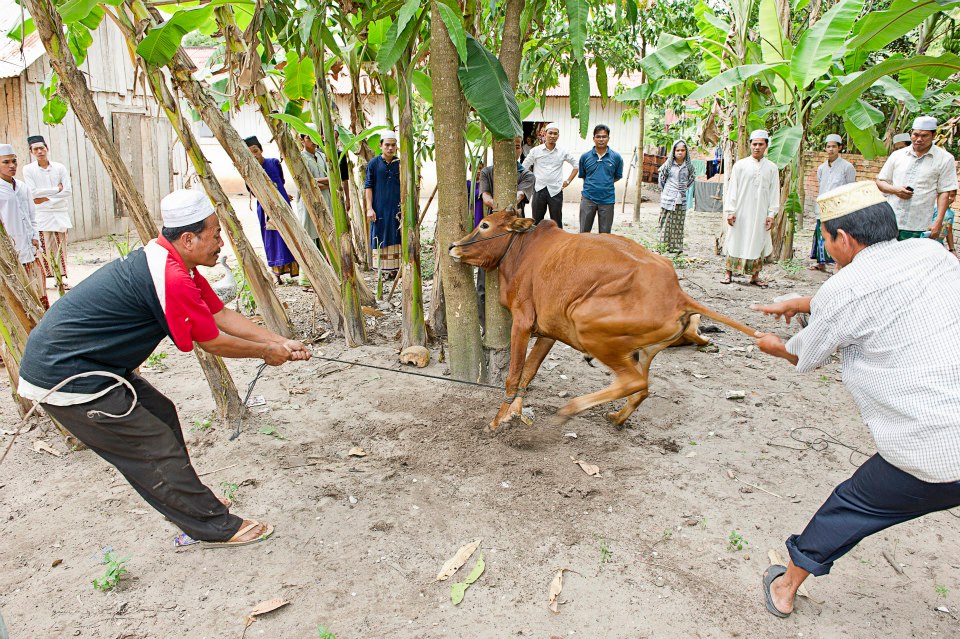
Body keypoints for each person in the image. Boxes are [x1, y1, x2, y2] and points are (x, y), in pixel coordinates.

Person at [17, 189, 311, 548]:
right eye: (215, 234)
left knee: (161, 414)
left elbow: (220, 314)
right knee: (152, 449)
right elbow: (212, 341)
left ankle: (189, 505)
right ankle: (214, 525)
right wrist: (266, 353)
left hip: (95, 365)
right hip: (65, 376)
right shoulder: (170, 276)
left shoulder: (171, 261)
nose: (221, 242)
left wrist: (277, 341)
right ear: (188, 239)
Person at [752, 180, 960, 618]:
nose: (826, 247)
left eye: (826, 239)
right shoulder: (931, 253)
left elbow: (803, 355)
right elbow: (884, 294)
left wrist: (774, 344)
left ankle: (786, 587)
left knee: (851, 506)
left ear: (843, 239)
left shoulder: (843, 289)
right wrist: (808, 301)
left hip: (936, 447)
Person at [475, 137, 537, 325]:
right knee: (484, 282)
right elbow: (485, 196)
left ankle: (518, 323)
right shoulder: (487, 172)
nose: (513, 150)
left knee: (517, 279)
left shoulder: (527, 175)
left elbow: (520, 196)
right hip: (490, 235)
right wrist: (500, 210)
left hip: (516, 234)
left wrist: (501, 210)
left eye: (517, 146)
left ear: (520, 150)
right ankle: (484, 324)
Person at [876, 116, 958, 241]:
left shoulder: (945, 159)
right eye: (916, 135)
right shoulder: (897, 155)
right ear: (911, 134)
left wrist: (938, 221)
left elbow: (944, 192)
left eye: (924, 136)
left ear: (934, 135)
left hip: (919, 224)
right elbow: (880, 181)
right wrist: (895, 190)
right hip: (890, 220)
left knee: (913, 259)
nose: (919, 139)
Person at [721, 130, 779, 287]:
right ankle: (728, 273)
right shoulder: (740, 165)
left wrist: (771, 214)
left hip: (760, 213)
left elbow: (774, 193)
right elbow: (732, 189)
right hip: (740, 212)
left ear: (766, 145)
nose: (757, 147)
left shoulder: (772, 168)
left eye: (761, 144)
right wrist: (730, 211)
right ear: (750, 145)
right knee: (735, 239)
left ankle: (754, 276)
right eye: (754, 144)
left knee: (757, 241)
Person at [245, 136, 299, 283]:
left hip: (283, 206)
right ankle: (276, 276)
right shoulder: (248, 171)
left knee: (289, 235)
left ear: (261, 150)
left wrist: (282, 194)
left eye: (256, 151)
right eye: (250, 153)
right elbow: (252, 190)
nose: (254, 155)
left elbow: (280, 182)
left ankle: (295, 269)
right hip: (265, 210)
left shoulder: (274, 163)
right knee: (271, 241)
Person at [0, 143, 47, 309]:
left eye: (14, 161)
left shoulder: (22, 187)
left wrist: (35, 237)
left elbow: (32, 216)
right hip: (10, 252)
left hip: (30, 248)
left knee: (37, 290)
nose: (12, 165)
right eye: (6, 162)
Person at [23, 135, 73, 290]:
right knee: (44, 248)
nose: (39, 151)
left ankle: (61, 279)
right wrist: (55, 190)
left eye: (41, 148)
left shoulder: (59, 168)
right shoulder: (28, 169)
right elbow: (33, 192)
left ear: (47, 148)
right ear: (31, 152)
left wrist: (47, 199)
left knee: (60, 247)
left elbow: (67, 191)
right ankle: (46, 280)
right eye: (35, 149)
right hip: (42, 215)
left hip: (59, 212)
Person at [810, 134, 856, 271]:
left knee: (838, 235)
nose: (831, 149)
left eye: (834, 147)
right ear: (825, 148)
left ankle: (838, 264)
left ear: (840, 148)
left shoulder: (847, 167)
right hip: (823, 206)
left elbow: (850, 187)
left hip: (839, 207)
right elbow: (821, 184)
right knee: (821, 233)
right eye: (828, 146)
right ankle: (821, 262)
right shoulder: (821, 168)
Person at [522, 122, 578, 228]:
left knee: (556, 221)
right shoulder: (535, 151)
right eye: (550, 133)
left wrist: (568, 181)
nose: (552, 136)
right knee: (537, 221)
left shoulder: (563, 152)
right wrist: (529, 182)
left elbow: (576, 165)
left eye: (555, 134)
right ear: (545, 134)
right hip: (539, 189)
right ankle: (537, 242)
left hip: (555, 191)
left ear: (558, 136)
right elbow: (524, 166)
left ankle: (558, 243)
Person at [364, 131, 402, 277]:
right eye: (387, 145)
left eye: (393, 145)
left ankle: (394, 270)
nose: (390, 148)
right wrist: (369, 208)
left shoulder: (399, 163)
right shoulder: (373, 164)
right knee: (380, 234)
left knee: (395, 234)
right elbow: (368, 186)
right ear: (381, 146)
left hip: (396, 208)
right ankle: (382, 270)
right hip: (379, 207)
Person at [578, 124, 623, 234]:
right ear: (593, 138)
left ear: (608, 138)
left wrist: (605, 184)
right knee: (584, 232)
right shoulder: (585, 157)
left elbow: (617, 176)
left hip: (607, 200)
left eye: (604, 136)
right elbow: (584, 175)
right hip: (588, 199)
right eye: (598, 136)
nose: (601, 139)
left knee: (605, 235)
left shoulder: (616, 157)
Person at [657, 139, 696, 251]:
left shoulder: (689, 167)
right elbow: (662, 180)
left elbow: (691, 179)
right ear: (674, 152)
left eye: (682, 150)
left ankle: (676, 248)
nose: (680, 152)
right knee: (665, 223)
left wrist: (682, 189)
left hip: (681, 199)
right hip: (668, 198)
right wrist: (668, 191)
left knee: (678, 224)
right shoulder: (668, 165)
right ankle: (662, 247)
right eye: (677, 150)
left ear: (686, 152)